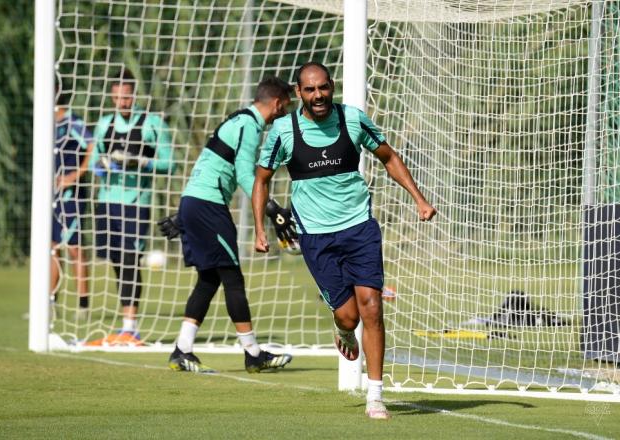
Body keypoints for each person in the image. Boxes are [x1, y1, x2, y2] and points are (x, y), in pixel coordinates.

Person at [252, 62, 436, 418]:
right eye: (310, 90)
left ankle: (376, 395)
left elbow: (388, 157)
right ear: (299, 93)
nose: (318, 95)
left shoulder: (353, 119)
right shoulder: (283, 132)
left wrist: (419, 198)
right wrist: (261, 229)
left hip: (359, 228)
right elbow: (261, 180)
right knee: (349, 317)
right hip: (315, 235)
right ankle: (342, 329)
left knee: (372, 307)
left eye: (323, 88)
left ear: (331, 86)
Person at [158, 76, 294, 373]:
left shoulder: (238, 119)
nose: (285, 112)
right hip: (207, 206)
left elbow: (211, 166)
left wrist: (184, 215)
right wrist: (271, 210)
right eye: (286, 106)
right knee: (232, 278)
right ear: (277, 102)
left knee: (209, 279)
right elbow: (247, 175)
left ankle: (182, 349)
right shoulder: (249, 125)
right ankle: (253, 354)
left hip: (196, 203)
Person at [88, 68, 174, 345]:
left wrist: (139, 162)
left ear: (134, 96)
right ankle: (126, 323)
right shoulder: (104, 125)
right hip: (106, 202)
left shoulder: (151, 124)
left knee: (130, 260)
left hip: (136, 202)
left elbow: (169, 163)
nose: (122, 102)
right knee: (115, 259)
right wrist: (103, 165)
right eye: (117, 98)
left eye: (126, 97)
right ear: (112, 97)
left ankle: (130, 325)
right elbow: (93, 163)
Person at [51, 82, 94, 320]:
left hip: (71, 197)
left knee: (74, 248)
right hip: (51, 198)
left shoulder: (72, 122)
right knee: (52, 249)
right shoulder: (47, 123)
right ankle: (51, 302)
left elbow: (92, 145)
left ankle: (83, 306)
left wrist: (75, 175)